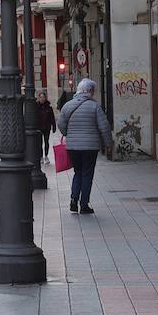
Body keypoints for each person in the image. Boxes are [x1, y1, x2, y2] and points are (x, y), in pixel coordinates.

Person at [56, 78, 113, 215]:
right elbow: (104, 127)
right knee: (87, 174)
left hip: (73, 147)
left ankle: (73, 200)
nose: (94, 93)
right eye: (93, 90)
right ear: (89, 91)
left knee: (78, 172)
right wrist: (108, 143)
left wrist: (67, 133)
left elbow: (61, 124)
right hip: (90, 147)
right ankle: (84, 204)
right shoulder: (95, 107)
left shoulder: (68, 106)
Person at [35, 91, 57, 163]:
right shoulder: (36, 107)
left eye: (43, 97)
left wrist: (54, 126)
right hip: (39, 127)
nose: (42, 99)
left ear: (45, 98)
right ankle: (41, 156)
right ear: (38, 98)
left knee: (46, 142)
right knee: (39, 143)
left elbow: (52, 118)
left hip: (46, 127)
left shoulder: (49, 108)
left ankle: (46, 156)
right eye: (40, 97)